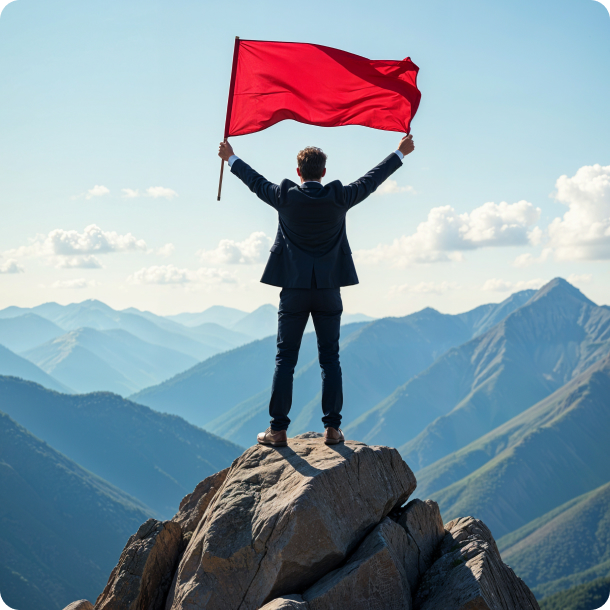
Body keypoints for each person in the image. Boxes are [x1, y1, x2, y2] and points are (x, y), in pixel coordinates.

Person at [217, 134, 415, 447]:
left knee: (285, 360)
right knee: (330, 359)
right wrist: (400, 153)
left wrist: (230, 158)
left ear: (299, 172)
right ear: (323, 172)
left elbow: (255, 182)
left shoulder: (285, 197)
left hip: (294, 290)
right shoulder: (339, 197)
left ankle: (278, 430)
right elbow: (372, 179)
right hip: (328, 291)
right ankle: (333, 429)